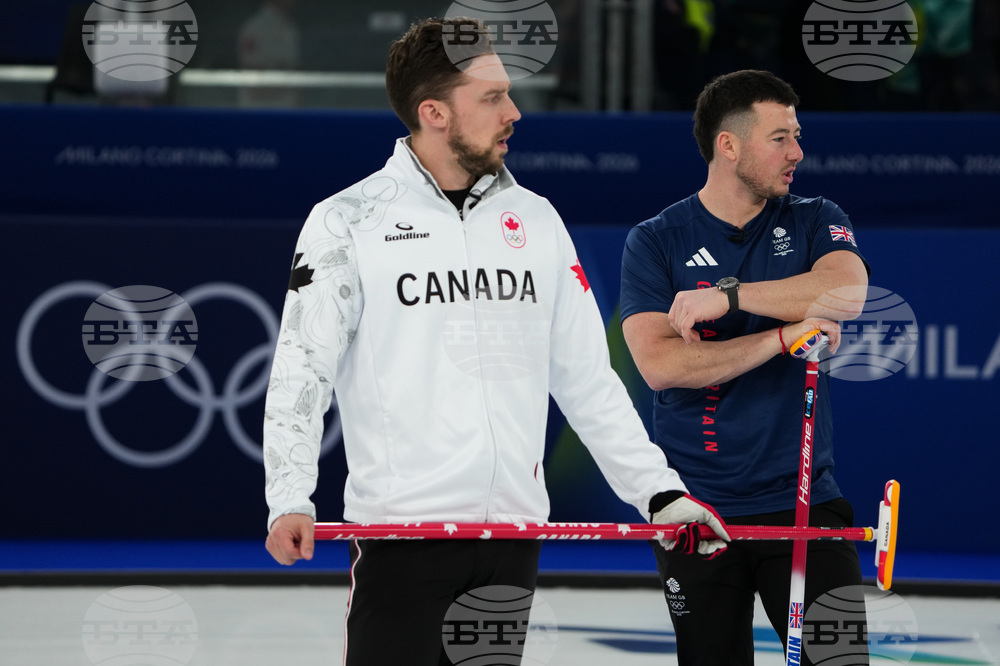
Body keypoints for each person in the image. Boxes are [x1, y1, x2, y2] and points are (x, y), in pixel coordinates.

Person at [262, 17, 729, 665]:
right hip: (403, 532)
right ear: (434, 113)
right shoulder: (348, 220)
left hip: (512, 534)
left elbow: (588, 381)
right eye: (491, 97)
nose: (513, 111)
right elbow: (301, 368)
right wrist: (288, 494)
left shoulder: (536, 220)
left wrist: (661, 493)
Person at [619, 69, 871, 664]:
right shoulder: (655, 240)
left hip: (804, 499)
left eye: (797, 135)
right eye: (780, 137)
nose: (797, 153)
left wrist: (730, 296)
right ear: (728, 146)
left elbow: (846, 293)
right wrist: (783, 336)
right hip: (696, 509)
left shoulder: (813, 216)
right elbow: (661, 365)